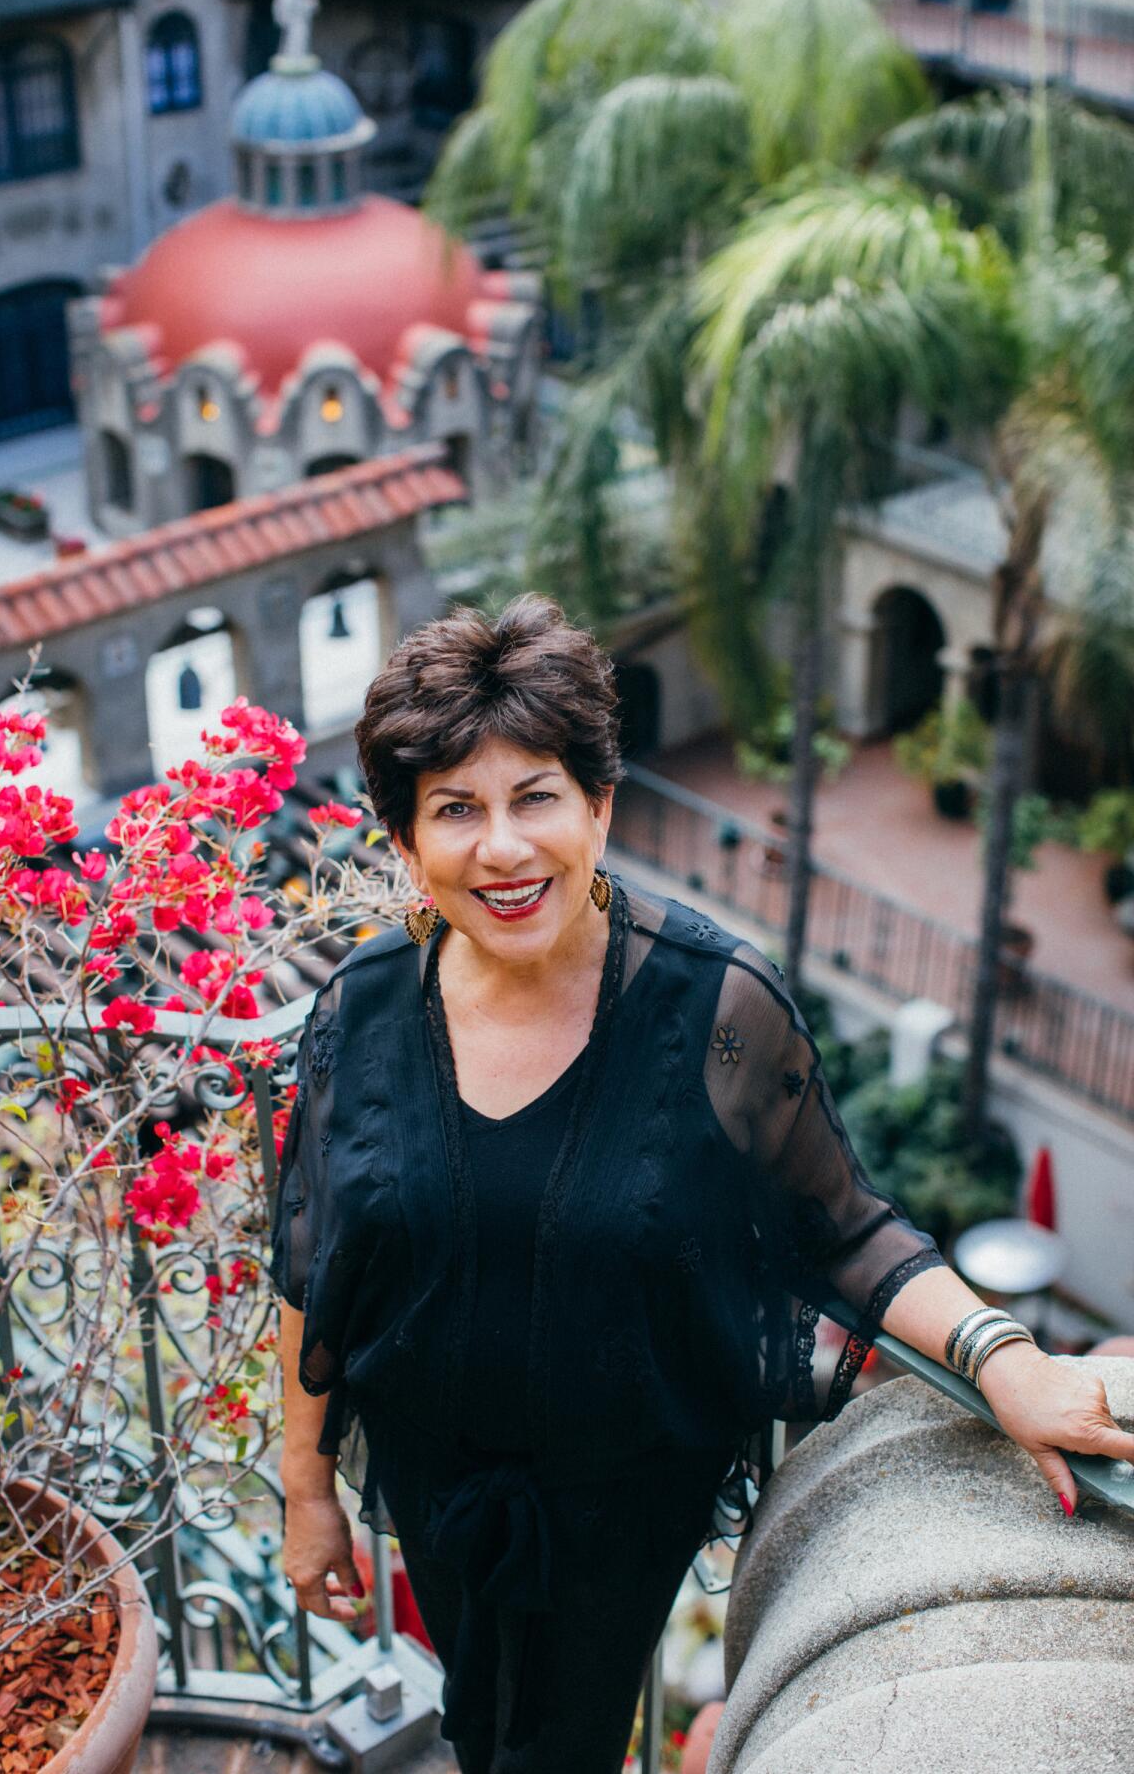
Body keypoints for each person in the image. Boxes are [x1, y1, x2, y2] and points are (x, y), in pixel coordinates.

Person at [270, 595, 1134, 1774]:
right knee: (483, 1723)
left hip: (620, 1502)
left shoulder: (712, 1005)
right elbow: (318, 1264)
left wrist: (1005, 1358)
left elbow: (847, 1231)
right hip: (436, 1476)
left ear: (600, 806)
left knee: (563, 1742)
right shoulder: (363, 1009)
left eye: (537, 797)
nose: (504, 848)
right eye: (456, 811)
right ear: (407, 841)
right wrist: (305, 1488)